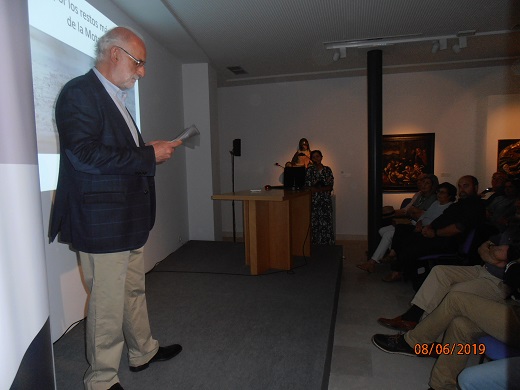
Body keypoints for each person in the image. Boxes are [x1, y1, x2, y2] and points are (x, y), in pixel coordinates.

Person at [50, 27, 182, 390]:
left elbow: (117, 156)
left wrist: (147, 150)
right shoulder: (79, 93)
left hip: (128, 219)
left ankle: (143, 352)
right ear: (116, 54)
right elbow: (84, 155)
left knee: (133, 291)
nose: (142, 72)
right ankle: (101, 380)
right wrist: (147, 154)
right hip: (102, 221)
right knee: (107, 304)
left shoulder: (115, 98)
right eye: (139, 63)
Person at [372, 249, 520, 390]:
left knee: (456, 299)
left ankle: (411, 342)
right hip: (512, 305)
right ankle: (441, 386)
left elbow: (512, 273)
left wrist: (509, 262)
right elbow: (505, 263)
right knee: (460, 325)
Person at [377, 226, 519, 332]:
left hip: (499, 281)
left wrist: (493, 252)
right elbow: (482, 249)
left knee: (453, 292)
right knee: (439, 271)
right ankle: (413, 317)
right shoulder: (512, 228)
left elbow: (499, 253)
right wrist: (494, 257)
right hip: (482, 268)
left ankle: (421, 331)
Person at [382, 175, 486, 284]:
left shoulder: (475, 205)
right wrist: (429, 227)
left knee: (410, 242)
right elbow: (441, 218)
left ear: (476, 187)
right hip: (437, 234)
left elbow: (459, 227)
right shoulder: (460, 204)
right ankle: (403, 269)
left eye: (466, 186)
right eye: (460, 186)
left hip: (448, 241)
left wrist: (435, 233)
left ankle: (407, 274)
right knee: (405, 234)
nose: (462, 190)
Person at [357, 179, 453, 273]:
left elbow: (435, 221)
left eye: (442, 193)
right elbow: (422, 214)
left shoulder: (448, 207)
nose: (439, 194)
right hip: (416, 223)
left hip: (424, 229)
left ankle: (373, 262)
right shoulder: (433, 201)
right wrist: (419, 221)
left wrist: (420, 222)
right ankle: (394, 254)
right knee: (383, 230)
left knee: (389, 234)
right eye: (439, 192)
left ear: (450, 196)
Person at [305, 150, 334, 244]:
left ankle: (327, 243)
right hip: (314, 201)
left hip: (325, 201)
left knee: (326, 222)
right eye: (314, 157)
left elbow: (330, 186)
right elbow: (309, 187)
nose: (316, 158)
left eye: (317, 156)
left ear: (321, 157)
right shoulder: (309, 170)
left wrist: (318, 188)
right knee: (315, 222)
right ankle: (315, 243)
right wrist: (322, 188)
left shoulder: (327, 170)